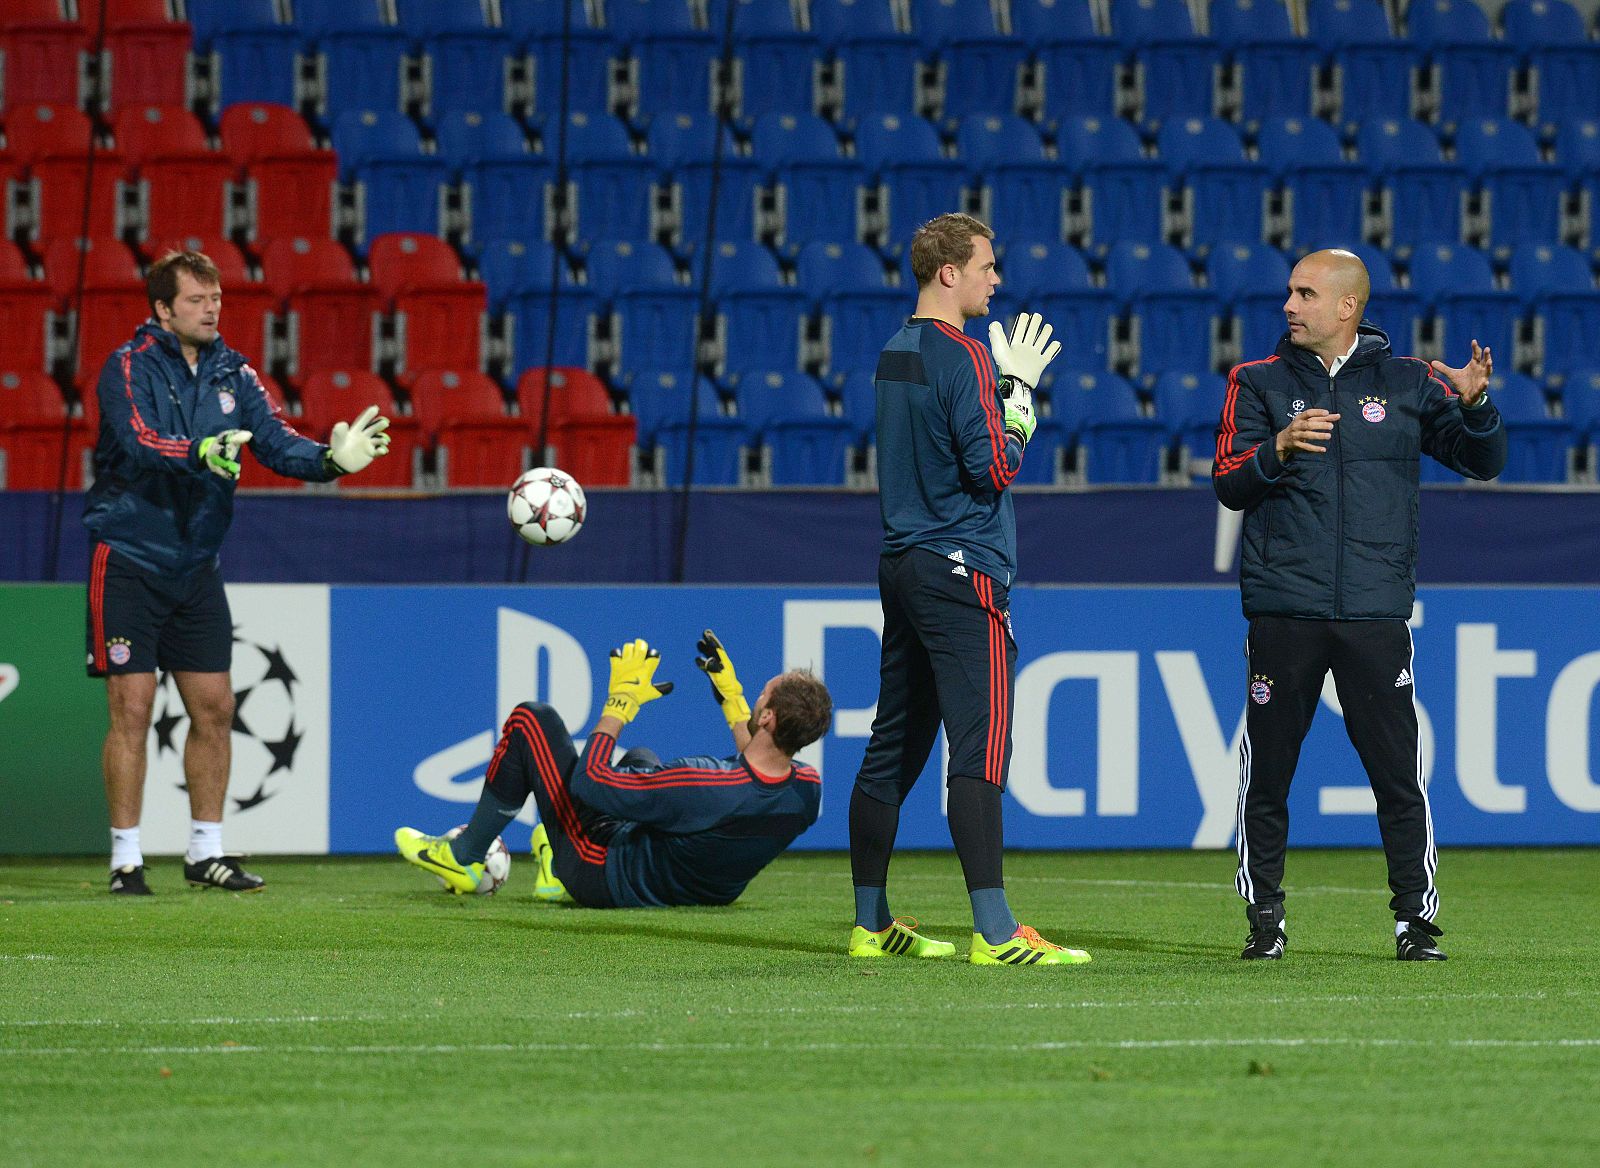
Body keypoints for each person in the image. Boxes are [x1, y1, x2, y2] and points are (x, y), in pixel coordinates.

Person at [1213, 247, 1507, 962]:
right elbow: (1228, 481)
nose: (1289, 305)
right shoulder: (1255, 382)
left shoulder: (1407, 383)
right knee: (1270, 774)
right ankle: (1266, 922)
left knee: (1398, 776)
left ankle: (1415, 922)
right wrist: (1279, 447)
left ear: (1347, 307)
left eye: (1305, 293)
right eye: (1289, 291)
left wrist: (1476, 405)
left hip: (1376, 613)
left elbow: (1484, 462)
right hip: (1285, 609)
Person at [86, 249, 392, 895]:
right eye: (197, 301)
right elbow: (138, 440)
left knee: (216, 708)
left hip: (197, 565)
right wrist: (198, 449)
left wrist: (333, 460)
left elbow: (277, 442)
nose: (211, 310)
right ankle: (126, 859)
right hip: (131, 559)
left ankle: (206, 852)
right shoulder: (127, 367)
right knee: (133, 710)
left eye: (216, 298)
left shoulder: (236, 372)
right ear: (163, 309)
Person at [845, 211, 1090, 967]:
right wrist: (1018, 401)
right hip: (963, 566)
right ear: (948, 272)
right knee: (979, 748)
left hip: (904, 561)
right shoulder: (967, 357)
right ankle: (996, 932)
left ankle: (869, 922)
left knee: (894, 742)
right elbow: (995, 469)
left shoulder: (895, 350)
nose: (996, 278)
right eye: (986, 264)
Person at [396, 631, 833, 908]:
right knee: (642, 758)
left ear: (768, 718)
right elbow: (758, 769)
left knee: (532, 720)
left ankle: (464, 857)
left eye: (761, 696)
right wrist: (733, 703)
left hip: (600, 872)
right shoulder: (807, 793)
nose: (755, 698)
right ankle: (548, 871)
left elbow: (591, 782)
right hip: (698, 888)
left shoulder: (701, 782)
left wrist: (619, 704)